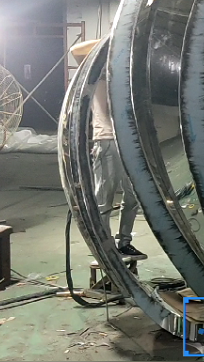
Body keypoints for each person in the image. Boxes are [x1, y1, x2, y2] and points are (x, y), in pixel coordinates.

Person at [71, 39, 147, 259]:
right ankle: (104, 245)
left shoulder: (127, 76)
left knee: (132, 195)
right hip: (107, 140)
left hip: (130, 143)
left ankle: (124, 243)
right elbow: (75, 50)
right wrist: (114, 36)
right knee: (104, 196)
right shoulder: (99, 73)